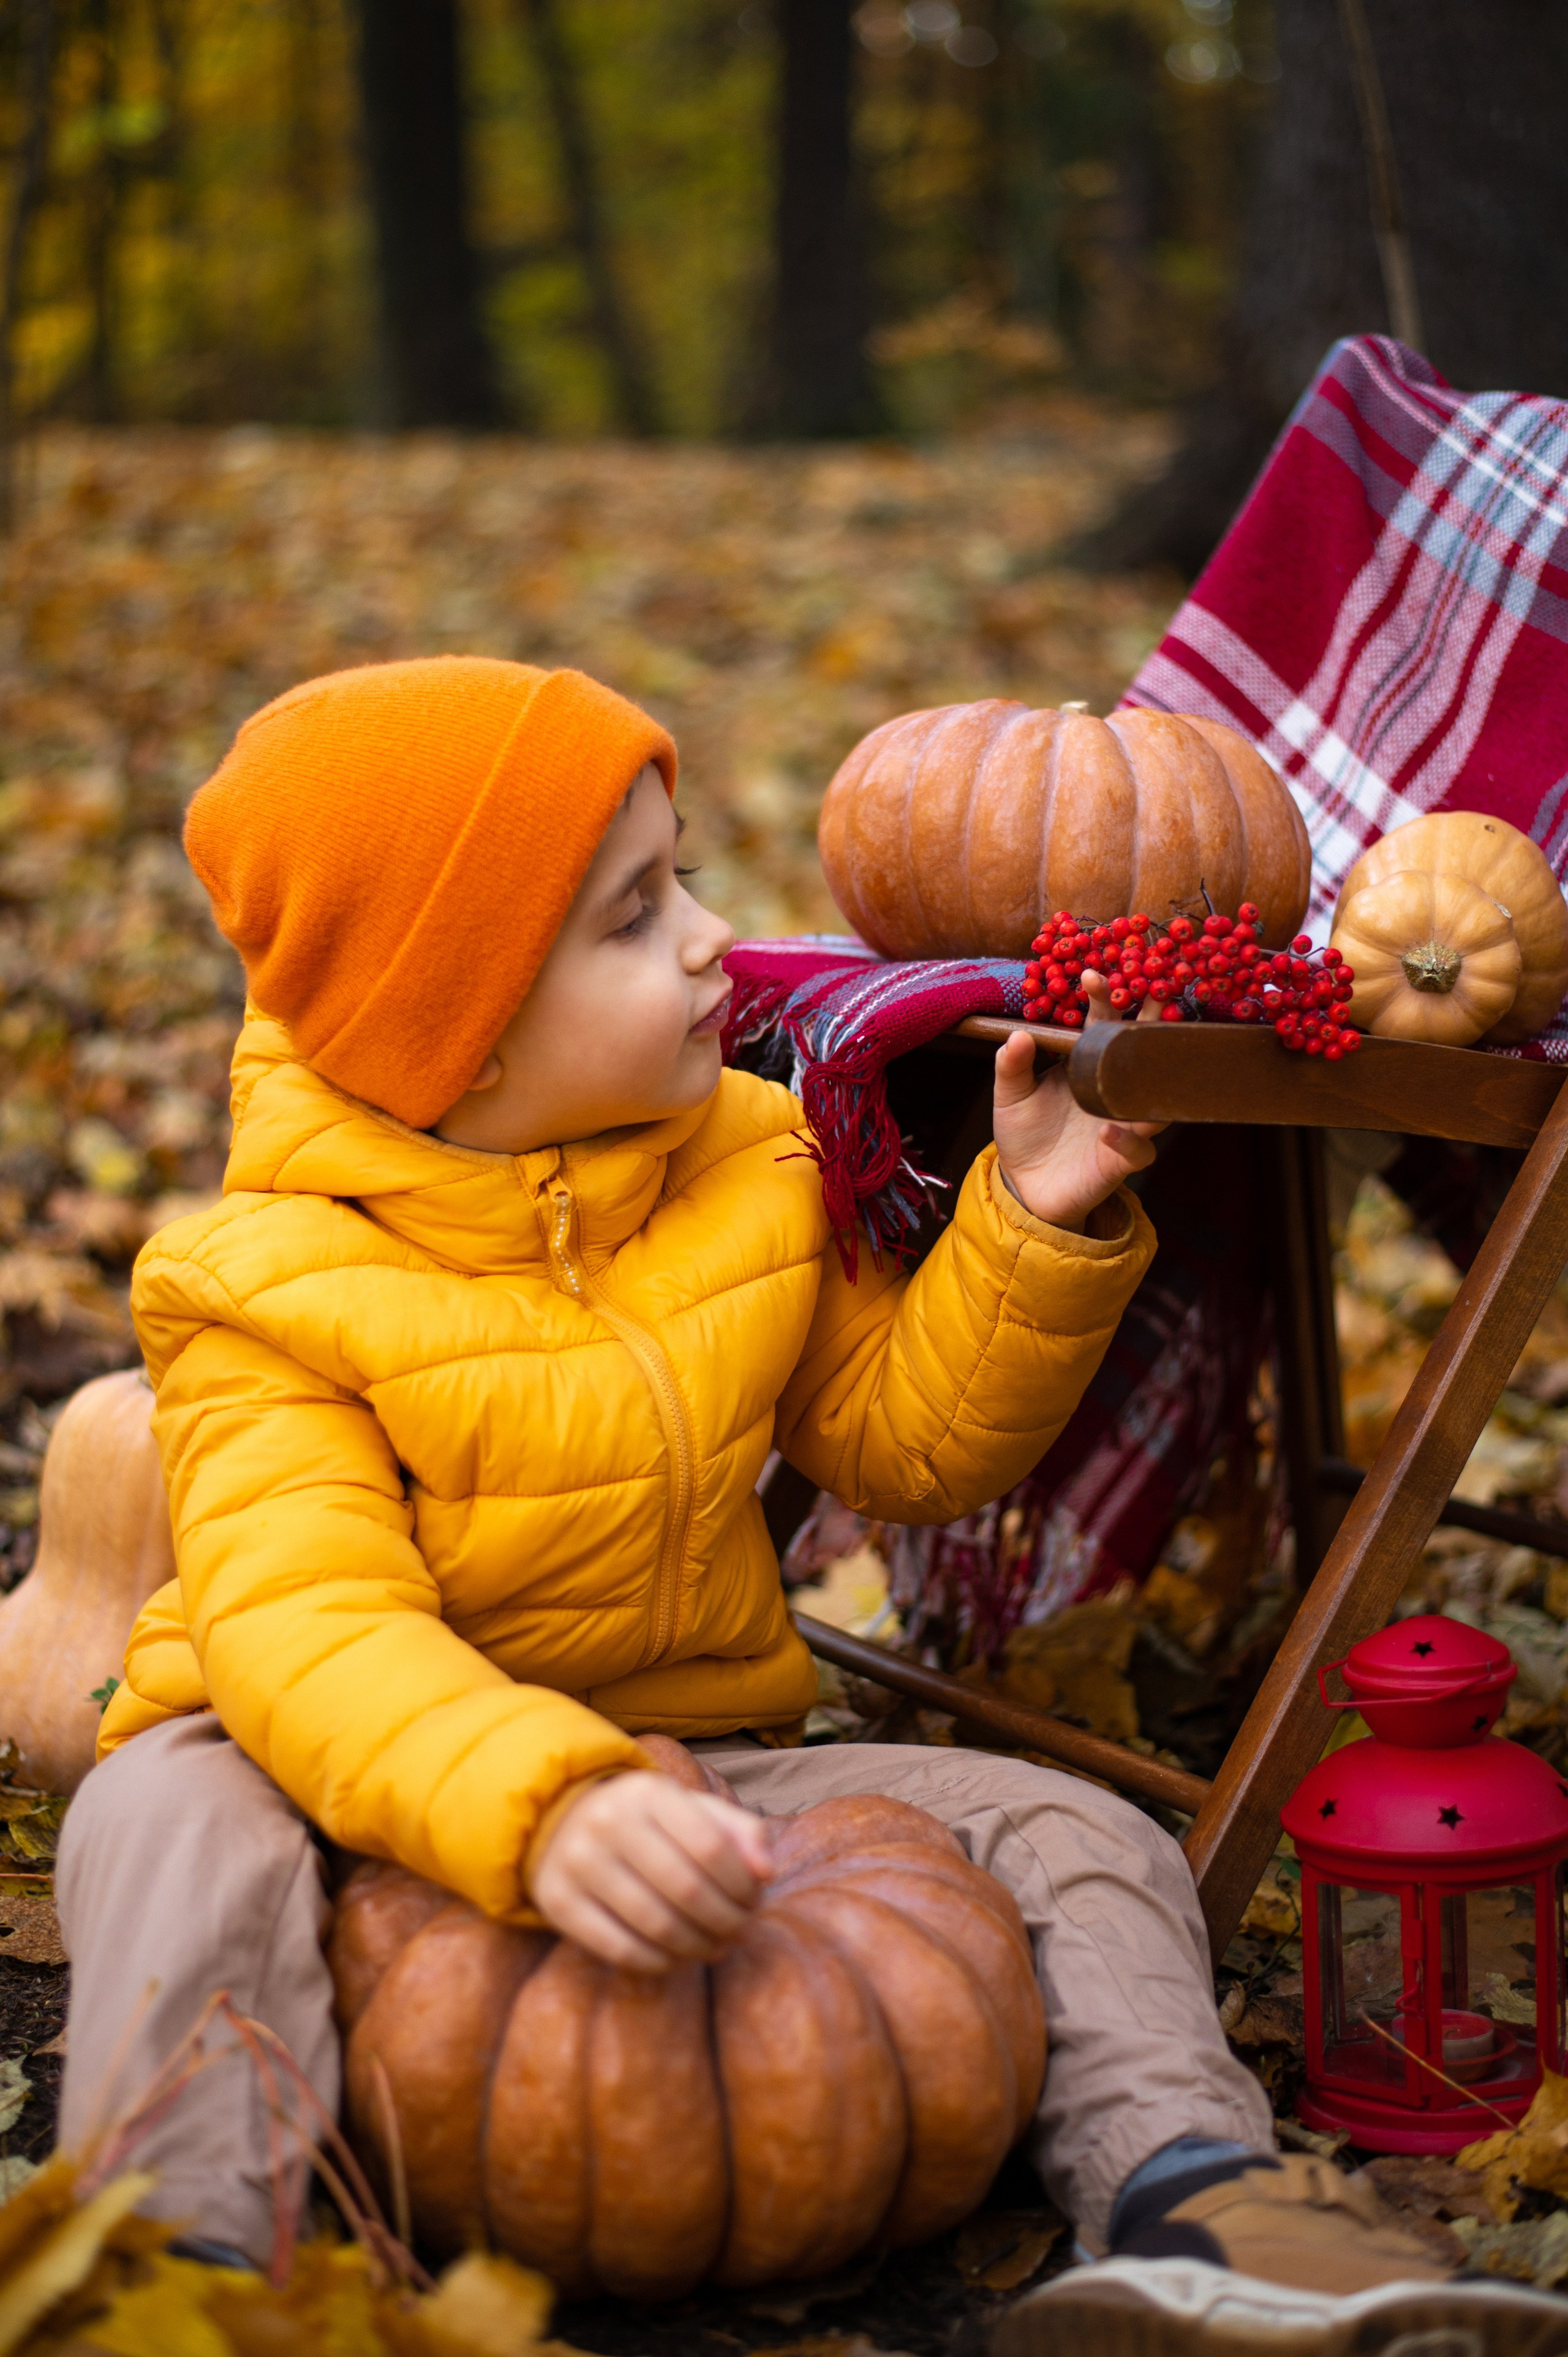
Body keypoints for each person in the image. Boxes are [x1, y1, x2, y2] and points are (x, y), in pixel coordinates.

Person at [55, 660, 1552, 2353]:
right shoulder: (258, 1290)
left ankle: (1199, 2205)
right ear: (458, 1025)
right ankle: (179, 2268)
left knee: (1084, 1838)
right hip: (305, 1757)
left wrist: (1030, 1226)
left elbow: (906, 1450)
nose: (714, 938)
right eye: (636, 916)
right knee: (164, 1826)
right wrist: (545, 1803)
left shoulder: (751, 1161)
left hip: (692, 1748)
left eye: (683, 874)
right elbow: (308, 1627)